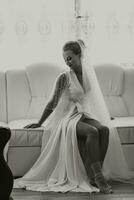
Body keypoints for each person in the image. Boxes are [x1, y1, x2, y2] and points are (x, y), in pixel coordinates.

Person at [14, 40, 133, 194]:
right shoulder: (64, 77)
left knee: (104, 129)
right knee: (92, 132)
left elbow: (93, 100)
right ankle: (98, 178)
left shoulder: (88, 75)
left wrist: (105, 115)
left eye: (70, 58)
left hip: (82, 114)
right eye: (65, 59)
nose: (67, 62)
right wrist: (39, 122)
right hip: (66, 117)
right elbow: (52, 102)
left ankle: (92, 174)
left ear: (79, 55)